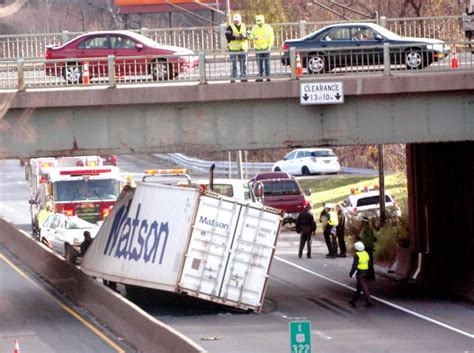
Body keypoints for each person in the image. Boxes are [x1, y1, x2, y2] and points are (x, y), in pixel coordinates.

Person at [249, 15, 274, 82]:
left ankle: (268, 76)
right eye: (258, 23)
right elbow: (251, 36)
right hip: (258, 49)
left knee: (267, 63)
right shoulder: (255, 28)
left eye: (260, 23)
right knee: (259, 63)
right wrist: (254, 37)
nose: (259, 24)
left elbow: (271, 37)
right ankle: (260, 76)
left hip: (266, 48)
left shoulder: (267, 27)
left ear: (263, 21)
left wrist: (269, 46)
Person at [348, 241, 373, 308]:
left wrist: (351, 273)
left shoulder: (357, 255)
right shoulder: (366, 253)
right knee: (359, 287)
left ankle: (369, 301)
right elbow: (369, 263)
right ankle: (354, 301)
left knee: (363, 286)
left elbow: (355, 265)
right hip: (366, 271)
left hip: (360, 273)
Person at [225, 13, 249, 83]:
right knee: (234, 65)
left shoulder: (244, 26)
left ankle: (243, 77)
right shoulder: (230, 27)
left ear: (240, 20)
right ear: (233, 20)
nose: (237, 21)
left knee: (243, 64)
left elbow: (249, 35)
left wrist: (244, 36)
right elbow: (228, 37)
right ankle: (233, 77)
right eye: (235, 20)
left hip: (243, 48)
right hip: (233, 49)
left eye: (238, 20)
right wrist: (236, 37)